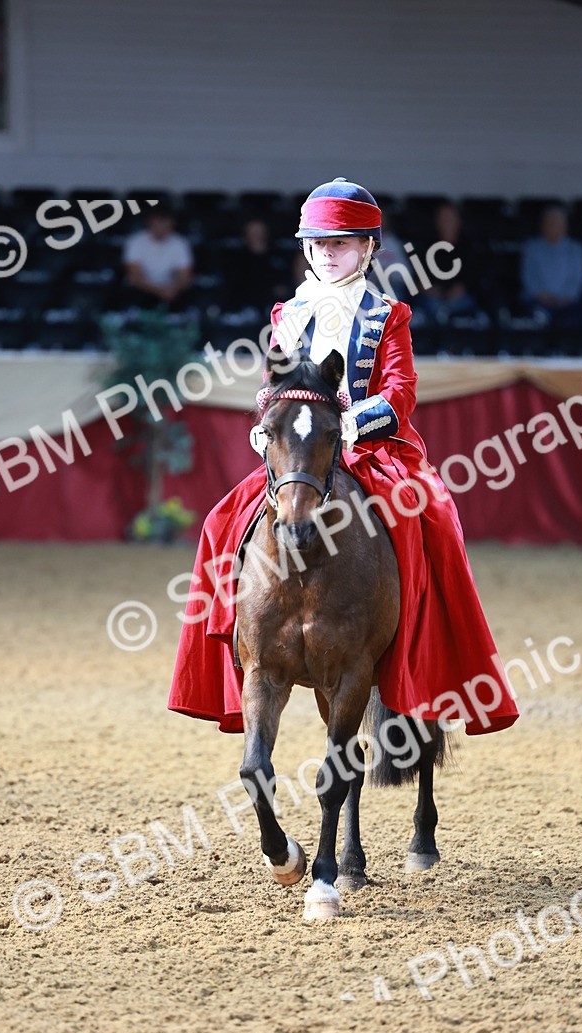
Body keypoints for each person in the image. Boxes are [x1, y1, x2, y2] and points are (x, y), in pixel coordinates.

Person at [168, 178, 519, 737]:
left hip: (372, 448)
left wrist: (354, 421)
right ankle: (241, 650)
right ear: (307, 248)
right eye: (321, 244)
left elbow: (402, 390)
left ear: (368, 249)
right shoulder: (288, 313)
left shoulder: (388, 315)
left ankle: (420, 646)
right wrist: (267, 425)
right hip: (304, 450)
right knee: (218, 522)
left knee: (434, 523)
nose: (330, 254)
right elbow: (272, 386)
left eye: (343, 244)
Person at [520, 205, 582, 326]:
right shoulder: (531, 248)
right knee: (538, 317)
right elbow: (529, 276)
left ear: (564, 227)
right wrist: (543, 297)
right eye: (549, 223)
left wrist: (566, 298)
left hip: (567, 301)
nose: (553, 227)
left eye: (557, 224)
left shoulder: (575, 248)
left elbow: (577, 278)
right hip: (538, 299)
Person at [123, 205, 193, 309]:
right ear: (150, 223)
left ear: (172, 224)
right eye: (158, 224)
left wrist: (174, 289)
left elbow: (185, 276)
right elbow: (134, 276)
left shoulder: (180, 243)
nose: (161, 229)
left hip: (172, 291)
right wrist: (158, 291)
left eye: (165, 225)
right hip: (143, 290)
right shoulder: (135, 241)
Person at [221, 217, 289, 319]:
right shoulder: (235, 261)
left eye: (260, 231)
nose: (257, 236)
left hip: (274, 310)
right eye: (253, 232)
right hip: (243, 312)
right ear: (245, 235)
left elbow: (284, 288)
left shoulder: (279, 258)